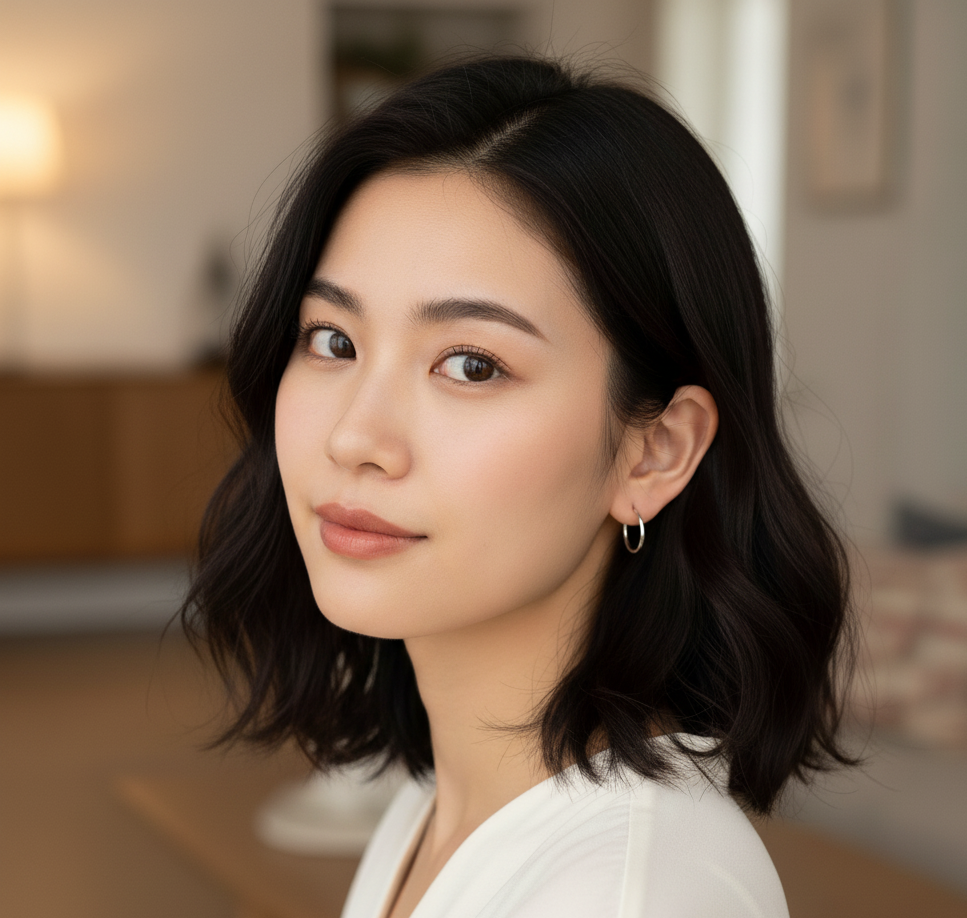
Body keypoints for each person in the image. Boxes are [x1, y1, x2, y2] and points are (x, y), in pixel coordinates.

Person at [183, 54, 854, 918]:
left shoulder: (630, 895)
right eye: (333, 341)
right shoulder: (445, 808)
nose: (355, 437)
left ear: (654, 452)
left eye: (471, 364)